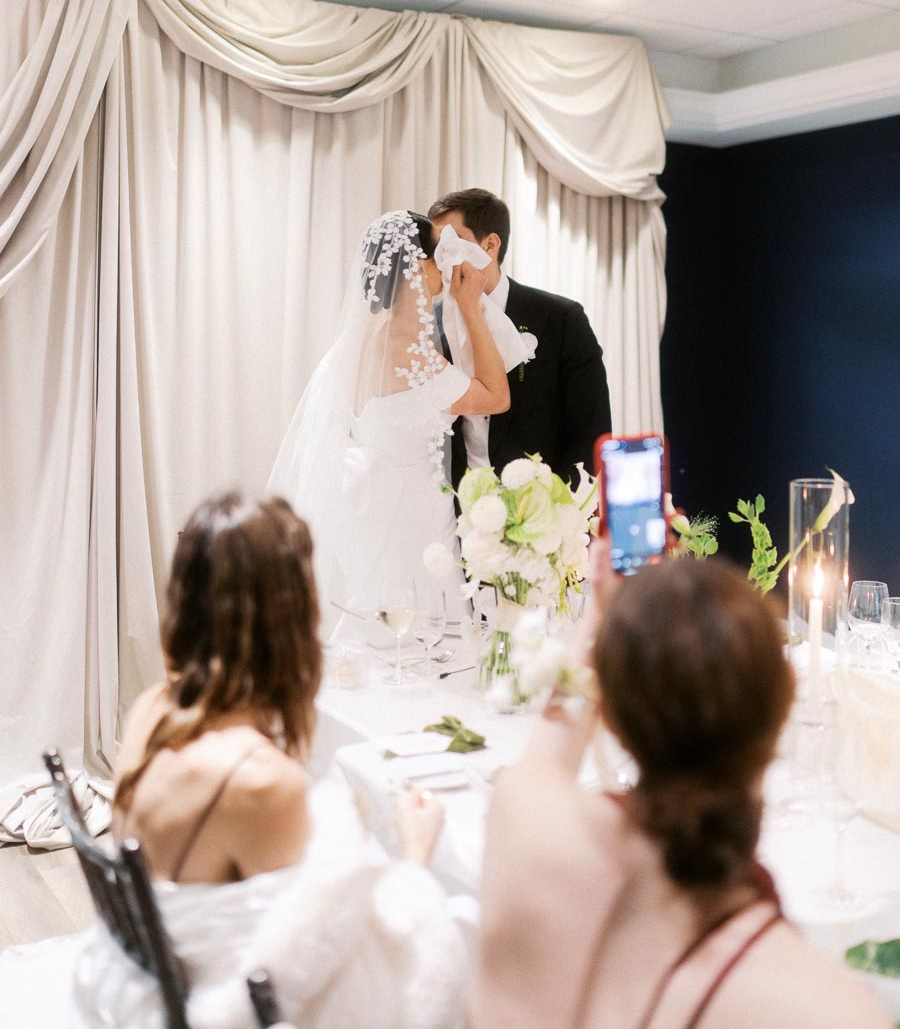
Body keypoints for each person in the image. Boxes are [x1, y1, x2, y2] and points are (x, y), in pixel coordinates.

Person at [0, 493, 465, 1028]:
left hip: (141, 977)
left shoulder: (154, 708)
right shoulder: (262, 782)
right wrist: (415, 859)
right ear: (288, 620)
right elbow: (307, 966)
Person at [471, 546, 891, 1029]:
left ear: (608, 713)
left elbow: (550, 747)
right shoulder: (827, 1008)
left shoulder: (524, 821)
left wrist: (603, 616)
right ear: (785, 700)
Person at [268, 209, 519, 630]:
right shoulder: (411, 351)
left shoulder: (365, 338)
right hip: (412, 523)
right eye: (439, 252)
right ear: (419, 269)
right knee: (420, 636)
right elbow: (496, 397)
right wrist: (471, 309)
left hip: (375, 514)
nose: (447, 261)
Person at [428, 188, 612, 490]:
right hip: (455, 513)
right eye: (438, 246)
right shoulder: (430, 324)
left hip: (541, 511)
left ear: (490, 245)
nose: (442, 257)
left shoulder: (561, 319)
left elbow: (590, 431)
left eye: (452, 242)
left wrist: (560, 511)